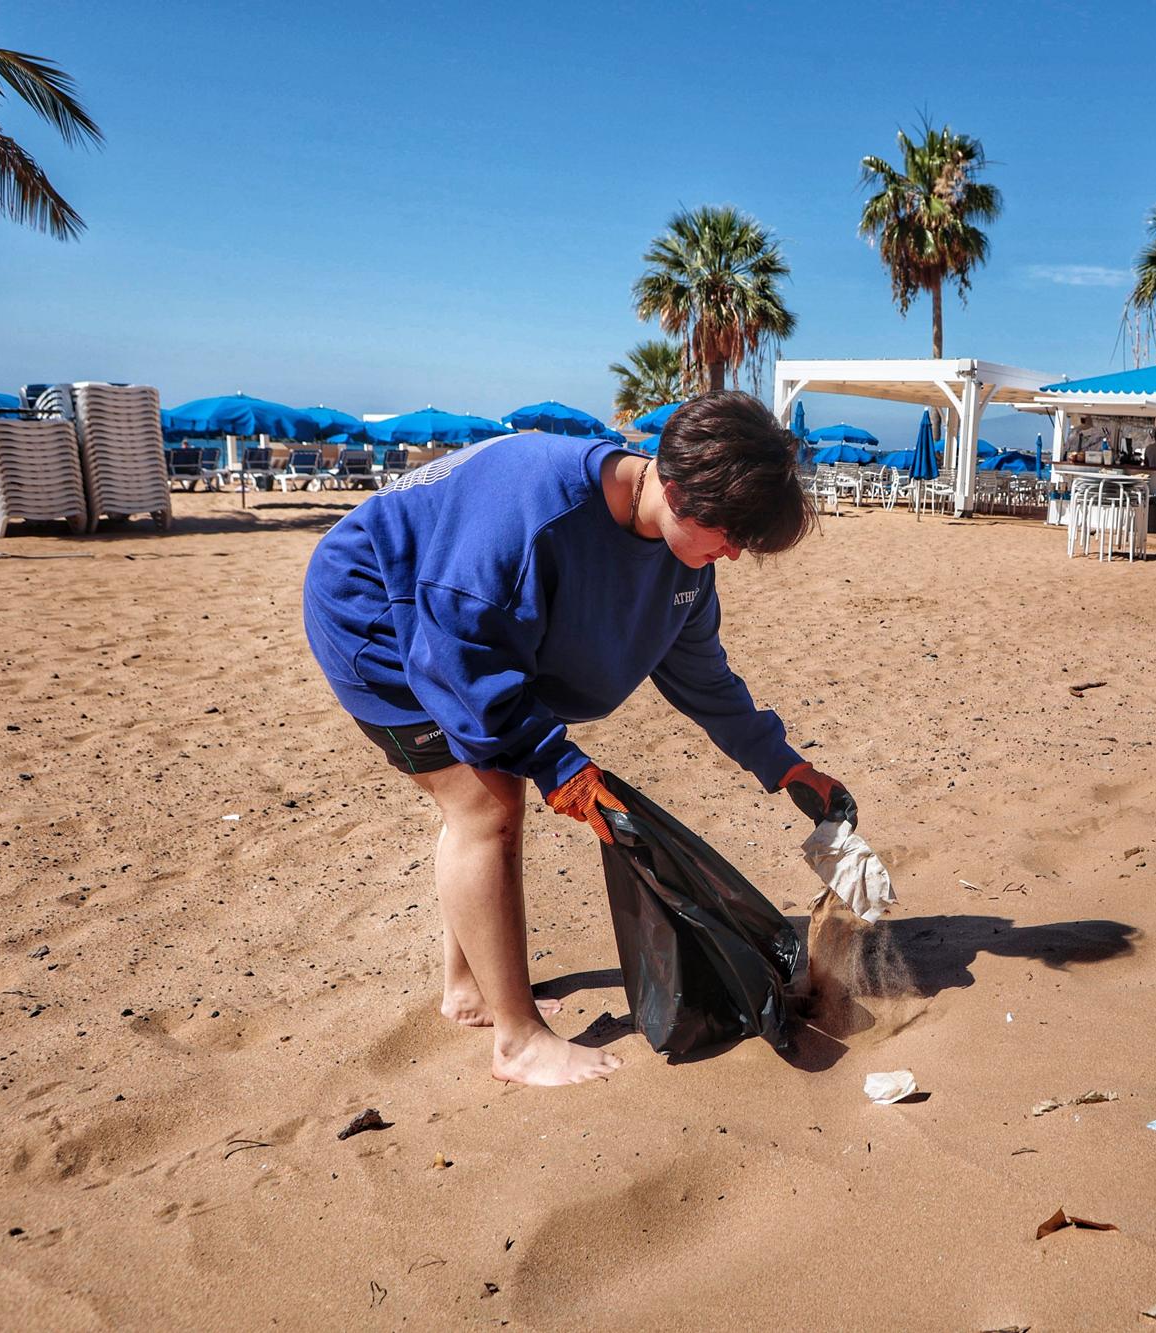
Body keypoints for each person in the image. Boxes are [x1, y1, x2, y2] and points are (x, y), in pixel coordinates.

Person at [301, 392, 855, 1086]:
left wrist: (785, 765)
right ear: (676, 490)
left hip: (471, 630)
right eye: (730, 534)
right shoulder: (537, 510)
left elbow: (703, 678)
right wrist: (559, 764)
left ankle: (467, 989)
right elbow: (461, 655)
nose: (736, 553)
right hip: (383, 614)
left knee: (489, 790)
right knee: (488, 806)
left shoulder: (687, 562)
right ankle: (517, 1039)